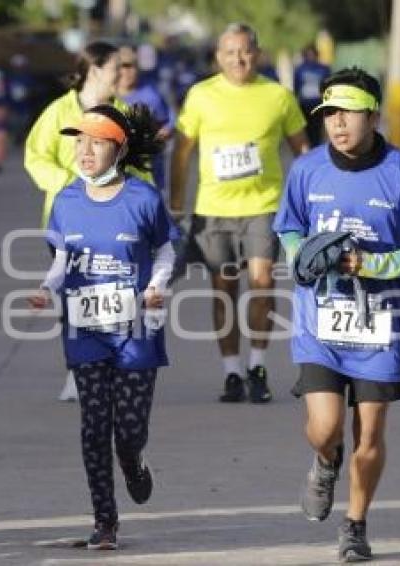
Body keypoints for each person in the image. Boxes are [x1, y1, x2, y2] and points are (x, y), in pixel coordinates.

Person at [272, 67, 400, 562]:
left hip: (379, 323)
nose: (337, 123)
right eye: (329, 113)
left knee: (369, 434)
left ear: (374, 115)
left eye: (347, 112)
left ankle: (355, 524)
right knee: (327, 428)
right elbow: (287, 227)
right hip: (320, 321)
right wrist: (300, 253)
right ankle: (323, 460)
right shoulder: (307, 170)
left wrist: (374, 263)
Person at [28, 104, 177, 550]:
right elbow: (61, 259)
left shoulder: (143, 198)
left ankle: (133, 462)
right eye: (79, 141)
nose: (85, 150)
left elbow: (167, 252)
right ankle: (105, 521)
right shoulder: (67, 200)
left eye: (96, 141)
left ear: (120, 147)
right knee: (94, 426)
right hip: (85, 328)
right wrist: (46, 288)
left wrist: (155, 286)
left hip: (136, 329)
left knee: (127, 432)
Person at [169, 23, 308, 404]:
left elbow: (304, 152)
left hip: (263, 207)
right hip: (214, 211)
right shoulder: (200, 96)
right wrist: (176, 201)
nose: (238, 59)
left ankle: (258, 366)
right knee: (224, 290)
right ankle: (232, 371)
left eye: (245, 51)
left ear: (257, 54)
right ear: (218, 57)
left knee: (262, 283)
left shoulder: (278, 96)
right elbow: (181, 152)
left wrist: (312, 198)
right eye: (230, 52)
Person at [24, 41, 154, 402]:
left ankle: (117, 363)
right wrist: (71, 187)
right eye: (118, 67)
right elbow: (35, 158)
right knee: (75, 297)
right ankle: (78, 370)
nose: (124, 74)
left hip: (120, 223)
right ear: (95, 70)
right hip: (68, 223)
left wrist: (150, 209)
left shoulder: (124, 112)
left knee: (119, 294)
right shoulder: (58, 112)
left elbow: (142, 166)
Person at [117, 45, 174, 192]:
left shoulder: (151, 95)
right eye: (122, 66)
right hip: (115, 179)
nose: (127, 71)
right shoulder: (104, 96)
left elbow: (168, 123)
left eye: (132, 66)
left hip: (149, 178)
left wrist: (157, 138)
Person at [293, 45, 331, 147]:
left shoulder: (324, 68)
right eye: (308, 54)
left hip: (318, 102)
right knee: (306, 128)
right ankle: (309, 147)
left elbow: (328, 85)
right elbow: (296, 86)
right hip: (304, 103)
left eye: (312, 54)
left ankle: (316, 146)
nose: (311, 56)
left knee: (317, 128)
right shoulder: (299, 69)